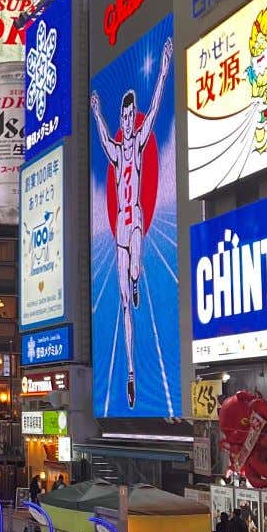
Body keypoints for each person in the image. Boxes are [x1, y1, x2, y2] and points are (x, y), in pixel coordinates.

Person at [89, 35, 174, 408]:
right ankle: (130, 374)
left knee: (135, 269)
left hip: (134, 220)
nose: (127, 121)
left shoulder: (137, 143)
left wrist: (164, 68)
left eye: (129, 116)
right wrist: (96, 111)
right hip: (119, 233)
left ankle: (137, 279)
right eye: (123, 117)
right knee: (125, 304)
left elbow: (155, 108)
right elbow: (102, 136)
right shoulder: (115, 149)